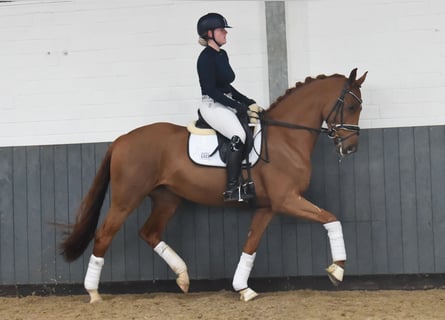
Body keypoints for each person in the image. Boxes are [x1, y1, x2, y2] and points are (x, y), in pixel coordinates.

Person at [196, 12, 256, 202]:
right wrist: (236, 106)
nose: (225, 33)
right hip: (212, 105)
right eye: (222, 30)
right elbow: (211, 90)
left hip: (224, 102)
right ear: (210, 33)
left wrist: (247, 101)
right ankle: (231, 189)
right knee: (239, 137)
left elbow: (226, 86)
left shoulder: (222, 54)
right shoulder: (205, 58)